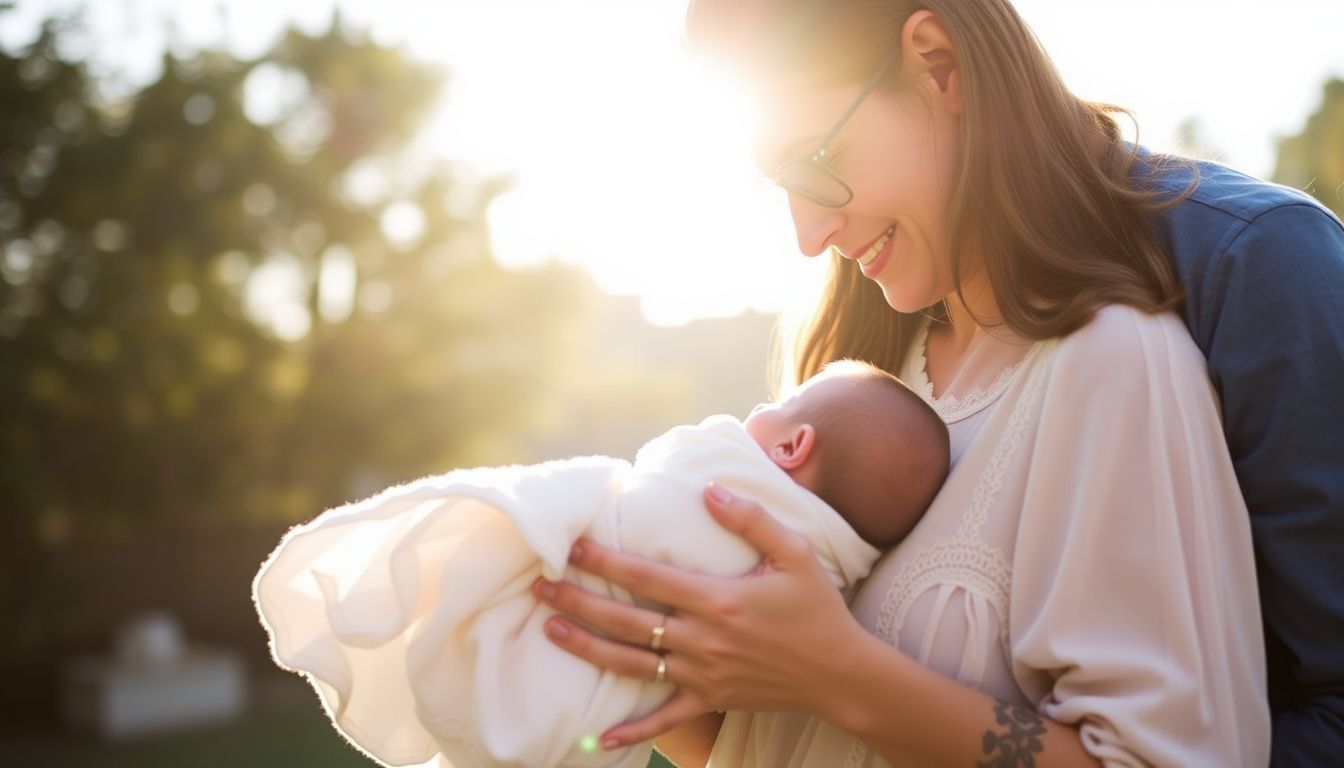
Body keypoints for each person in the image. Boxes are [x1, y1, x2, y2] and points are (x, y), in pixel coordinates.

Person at [528, 1, 1344, 765]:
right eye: (780, 186)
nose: (809, 236)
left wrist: (838, 677)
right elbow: (775, 731)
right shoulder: (857, 339)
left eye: (817, 163)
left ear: (940, 66)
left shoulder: (1240, 276)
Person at [251, 360, 949, 768]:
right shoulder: (831, 570)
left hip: (584, 591)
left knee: (477, 584)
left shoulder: (724, 469)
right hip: (622, 679)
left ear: (793, 446)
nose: (757, 411)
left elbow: (664, 462)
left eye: (779, 406)